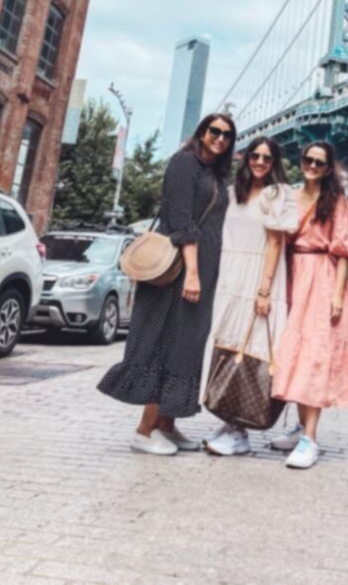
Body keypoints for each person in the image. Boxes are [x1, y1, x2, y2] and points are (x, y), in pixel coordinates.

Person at [98, 113, 235, 455]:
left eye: (227, 135)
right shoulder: (183, 163)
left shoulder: (213, 173)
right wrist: (192, 272)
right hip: (176, 272)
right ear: (202, 132)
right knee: (165, 341)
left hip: (203, 269)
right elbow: (182, 222)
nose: (220, 138)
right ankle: (145, 430)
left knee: (187, 345)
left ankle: (167, 425)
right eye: (214, 131)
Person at [270, 141, 348, 469]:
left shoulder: (336, 202)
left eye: (319, 162)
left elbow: (344, 250)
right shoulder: (288, 196)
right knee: (295, 353)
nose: (312, 166)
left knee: (313, 355)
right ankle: (302, 428)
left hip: (321, 279)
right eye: (307, 160)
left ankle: (310, 440)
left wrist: (336, 295)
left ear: (329, 168)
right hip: (291, 276)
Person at [202, 135, 298, 455]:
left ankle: (240, 430)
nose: (259, 162)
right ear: (246, 160)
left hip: (257, 280)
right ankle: (230, 422)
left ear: (275, 164)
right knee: (228, 346)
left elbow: (274, 244)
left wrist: (264, 289)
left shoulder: (277, 194)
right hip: (230, 278)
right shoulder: (233, 193)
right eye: (254, 156)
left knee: (251, 348)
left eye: (267, 158)